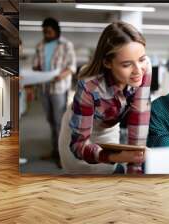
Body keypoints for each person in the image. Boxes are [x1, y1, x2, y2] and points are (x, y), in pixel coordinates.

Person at [58, 21, 152, 174]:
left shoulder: (144, 68)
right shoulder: (90, 86)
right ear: (108, 63)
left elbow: (139, 117)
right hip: (78, 131)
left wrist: (135, 166)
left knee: (109, 173)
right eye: (127, 64)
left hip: (108, 128)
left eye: (141, 59)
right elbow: (78, 145)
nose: (138, 71)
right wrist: (114, 157)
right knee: (84, 180)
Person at [32, 17, 76, 166]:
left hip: (59, 88)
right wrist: (37, 70)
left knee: (59, 122)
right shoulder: (40, 45)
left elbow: (72, 66)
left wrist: (60, 76)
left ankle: (63, 154)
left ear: (56, 31)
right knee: (51, 121)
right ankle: (54, 150)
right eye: (44, 32)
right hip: (44, 87)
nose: (47, 34)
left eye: (49, 31)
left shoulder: (66, 45)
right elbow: (36, 65)